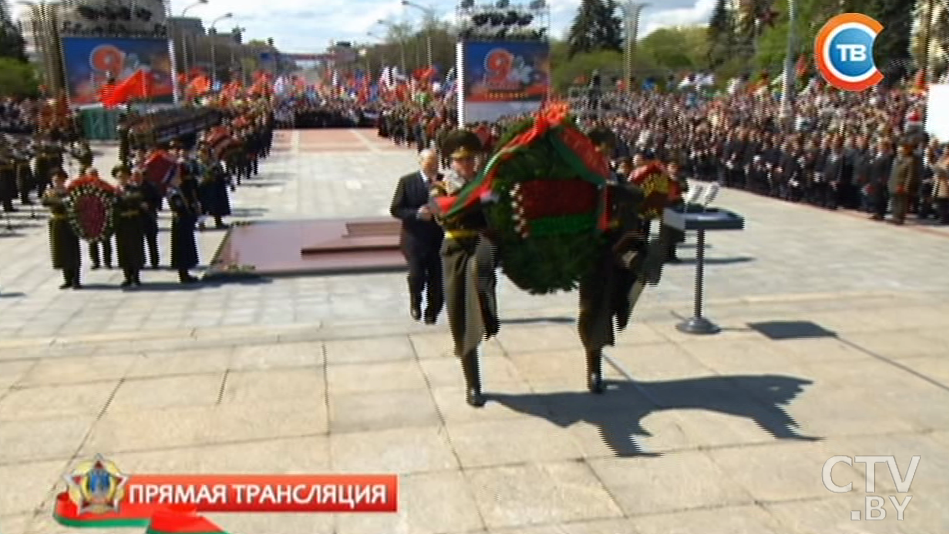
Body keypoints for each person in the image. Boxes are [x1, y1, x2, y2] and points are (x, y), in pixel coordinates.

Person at [429, 129, 499, 407]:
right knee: (461, 315)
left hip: (481, 248)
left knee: (480, 301)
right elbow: (443, 211)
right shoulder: (441, 186)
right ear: (452, 162)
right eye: (462, 160)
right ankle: (473, 384)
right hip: (456, 252)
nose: (468, 165)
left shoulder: (485, 185)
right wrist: (477, 201)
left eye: (472, 159)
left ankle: (489, 314)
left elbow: (497, 211)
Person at [390, 148, 444, 323]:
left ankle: (432, 310)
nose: (434, 166)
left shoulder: (445, 182)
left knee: (437, 279)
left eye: (436, 162)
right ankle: (416, 301)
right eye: (429, 163)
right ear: (420, 162)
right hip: (414, 239)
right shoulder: (407, 182)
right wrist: (416, 214)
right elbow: (396, 209)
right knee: (416, 276)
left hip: (438, 239)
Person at [41, 170, 82, 289]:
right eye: (55, 180)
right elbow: (45, 202)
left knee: (72, 250)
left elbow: (76, 203)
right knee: (60, 250)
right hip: (56, 223)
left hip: (69, 222)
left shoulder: (71, 191)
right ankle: (67, 278)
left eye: (60, 180)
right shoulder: (50, 192)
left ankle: (76, 279)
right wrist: (60, 201)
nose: (57, 182)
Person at [112, 166, 146, 287]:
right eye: (120, 177)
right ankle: (127, 276)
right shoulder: (113, 191)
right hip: (121, 223)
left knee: (135, 249)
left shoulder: (135, 189)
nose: (122, 179)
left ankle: (136, 276)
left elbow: (137, 200)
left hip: (134, 222)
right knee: (123, 249)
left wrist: (123, 201)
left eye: (124, 176)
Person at [167, 171, 200, 284]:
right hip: (180, 223)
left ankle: (186, 272)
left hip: (185, 222)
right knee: (182, 249)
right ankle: (183, 274)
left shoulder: (179, 190)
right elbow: (179, 208)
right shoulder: (173, 192)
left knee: (186, 248)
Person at [84, 168, 114, 269]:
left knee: (105, 240)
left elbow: (111, 196)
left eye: (94, 174)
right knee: (92, 241)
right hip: (90, 218)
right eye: (90, 175)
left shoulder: (104, 185)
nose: (92, 177)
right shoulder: (83, 187)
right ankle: (95, 261)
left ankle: (107, 261)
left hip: (103, 216)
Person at [888, 140, 922, 225]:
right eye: (899, 147)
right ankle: (894, 216)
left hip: (901, 183)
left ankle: (900, 218)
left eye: (901, 147)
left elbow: (910, 175)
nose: (899, 149)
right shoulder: (897, 158)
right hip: (893, 181)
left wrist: (906, 185)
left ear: (906, 149)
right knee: (894, 200)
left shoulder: (910, 160)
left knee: (901, 202)